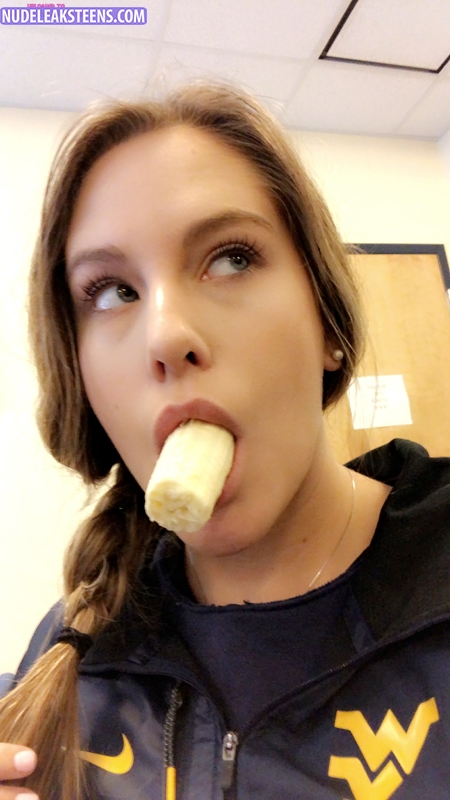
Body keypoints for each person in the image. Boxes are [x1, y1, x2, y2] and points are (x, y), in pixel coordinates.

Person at [0, 82, 449, 800]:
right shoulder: (72, 650)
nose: (166, 335)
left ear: (327, 324)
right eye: (112, 291)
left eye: (231, 258)